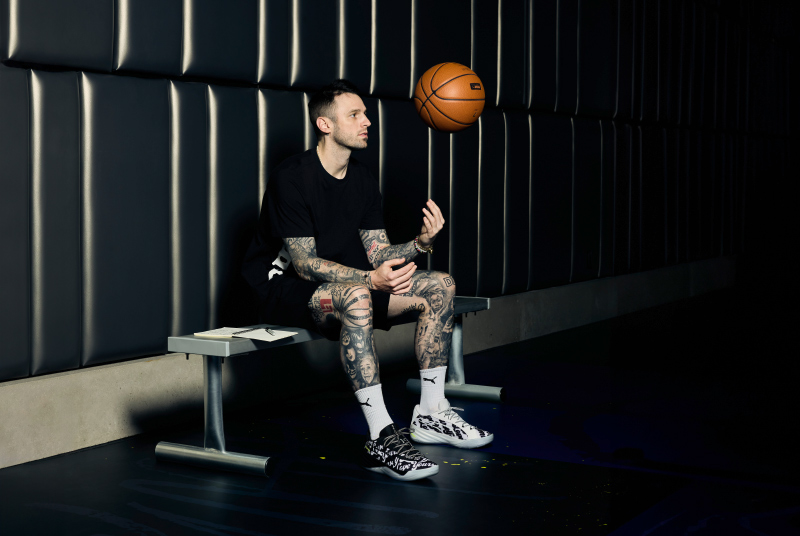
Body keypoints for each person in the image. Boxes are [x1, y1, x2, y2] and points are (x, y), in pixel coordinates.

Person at [242, 79, 493, 481]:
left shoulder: (360, 178)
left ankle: (431, 412)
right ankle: (380, 436)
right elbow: (304, 264)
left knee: (440, 285)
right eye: (355, 114)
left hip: (345, 286)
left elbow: (378, 255)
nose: (367, 121)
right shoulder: (292, 177)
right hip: (280, 288)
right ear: (325, 124)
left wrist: (420, 243)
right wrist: (369, 280)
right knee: (359, 294)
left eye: (365, 113)